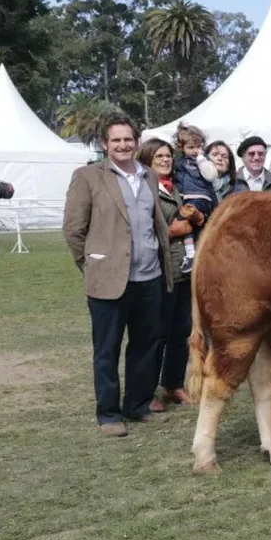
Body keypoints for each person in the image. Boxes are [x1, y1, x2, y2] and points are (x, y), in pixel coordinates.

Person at [62, 115, 174, 437]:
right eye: (116, 140)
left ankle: (138, 406)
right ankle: (109, 414)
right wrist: (93, 266)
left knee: (146, 346)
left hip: (149, 278)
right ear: (104, 144)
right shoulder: (87, 176)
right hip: (108, 282)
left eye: (128, 140)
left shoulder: (149, 175)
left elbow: (156, 224)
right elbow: (73, 229)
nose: (123, 145)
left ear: (137, 142)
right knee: (107, 350)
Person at [136, 139, 199, 412]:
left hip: (181, 271)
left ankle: (173, 384)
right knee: (155, 334)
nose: (165, 160)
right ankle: (146, 391)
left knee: (181, 331)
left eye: (168, 156)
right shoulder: (143, 190)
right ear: (148, 160)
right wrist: (175, 230)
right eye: (159, 156)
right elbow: (145, 228)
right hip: (159, 271)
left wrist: (193, 219)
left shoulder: (174, 188)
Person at [171, 123, 219, 273]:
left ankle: (192, 255)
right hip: (187, 198)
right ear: (182, 148)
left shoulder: (204, 161)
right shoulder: (180, 162)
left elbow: (211, 175)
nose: (195, 151)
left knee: (182, 220)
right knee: (189, 227)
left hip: (201, 197)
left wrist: (201, 160)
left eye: (197, 146)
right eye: (190, 148)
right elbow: (178, 179)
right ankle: (194, 254)